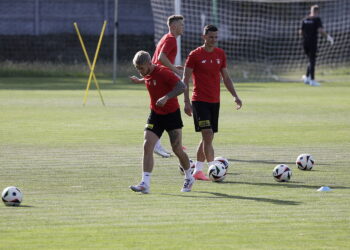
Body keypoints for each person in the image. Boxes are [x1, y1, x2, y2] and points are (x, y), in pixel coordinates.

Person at [129, 50, 195, 193]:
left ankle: (189, 177)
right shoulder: (147, 73)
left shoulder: (163, 72)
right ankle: (145, 183)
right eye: (137, 69)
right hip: (155, 114)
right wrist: (139, 80)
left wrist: (166, 97)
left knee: (177, 149)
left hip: (172, 114)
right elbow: (149, 78)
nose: (140, 72)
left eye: (141, 68)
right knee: (147, 145)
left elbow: (182, 86)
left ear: (149, 63)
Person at [183, 25, 242, 181]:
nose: (214, 40)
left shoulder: (220, 54)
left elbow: (226, 78)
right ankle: (213, 168)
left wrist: (235, 96)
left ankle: (197, 171)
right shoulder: (194, 55)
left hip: (215, 101)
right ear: (204, 37)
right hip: (199, 101)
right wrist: (186, 101)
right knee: (207, 134)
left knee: (207, 138)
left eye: (216, 37)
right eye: (211, 37)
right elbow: (185, 80)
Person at [130, 15, 185, 158]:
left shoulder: (166, 37)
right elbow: (161, 58)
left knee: (159, 111)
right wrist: (174, 70)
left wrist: (143, 79)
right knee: (165, 109)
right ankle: (158, 144)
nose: (183, 27)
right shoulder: (171, 39)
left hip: (156, 77)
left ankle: (161, 143)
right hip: (161, 78)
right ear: (173, 27)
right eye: (181, 25)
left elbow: (156, 62)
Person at [300, 5, 334, 86]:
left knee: (310, 60)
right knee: (312, 61)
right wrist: (328, 37)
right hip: (312, 43)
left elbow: (301, 32)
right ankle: (312, 80)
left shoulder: (305, 19)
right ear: (317, 11)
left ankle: (307, 78)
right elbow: (320, 30)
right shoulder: (316, 19)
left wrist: (306, 37)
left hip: (305, 43)